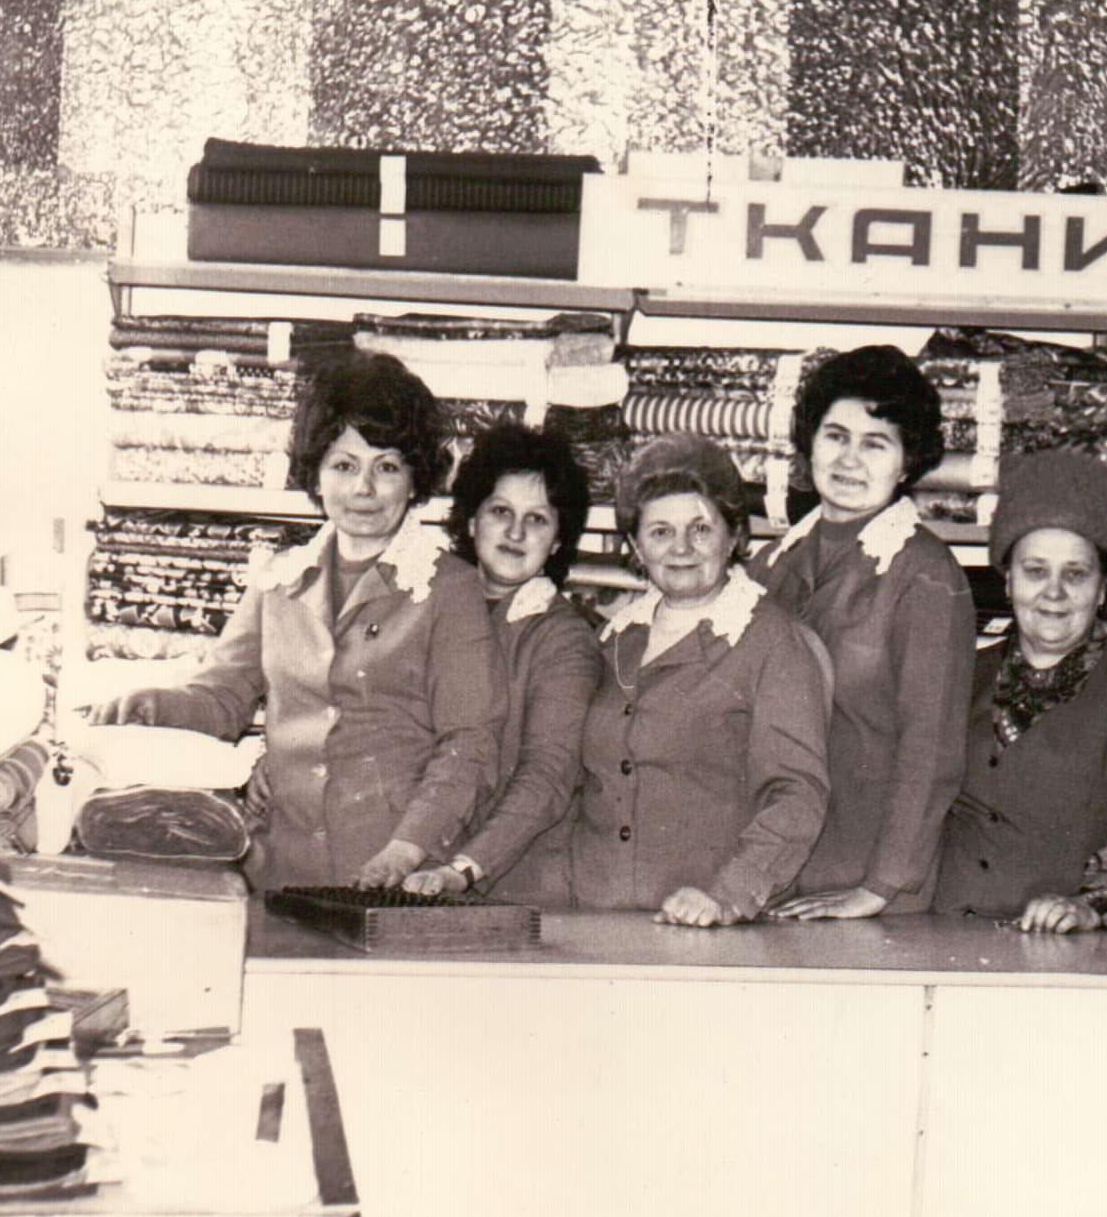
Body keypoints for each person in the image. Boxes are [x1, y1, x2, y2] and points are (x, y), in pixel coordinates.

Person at [88, 352, 501, 888]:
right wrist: (150, 705)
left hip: (400, 875)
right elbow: (222, 699)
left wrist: (406, 850)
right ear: (316, 473)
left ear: (416, 478)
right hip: (280, 867)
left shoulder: (450, 587)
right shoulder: (278, 580)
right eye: (344, 466)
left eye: (388, 467)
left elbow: (470, 743)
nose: (363, 489)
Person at [935, 450, 1107, 933]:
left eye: (1075, 575)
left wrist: (1089, 906)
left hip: (1073, 951)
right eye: (1036, 571)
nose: (1053, 593)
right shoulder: (961, 673)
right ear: (1008, 577)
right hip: (943, 932)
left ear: (1103, 588)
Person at [568, 434, 830, 927]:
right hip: (595, 916)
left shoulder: (772, 642)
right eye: (660, 532)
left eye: (701, 529)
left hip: (707, 925)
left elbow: (796, 795)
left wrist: (727, 894)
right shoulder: (614, 637)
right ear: (634, 546)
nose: (681, 548)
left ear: (734, 536)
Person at [757, 346, 976, 921]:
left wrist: (880, 886)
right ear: (809, 443)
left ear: (907, 463)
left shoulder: (925, 573)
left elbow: (933, 747)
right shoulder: (770, 563)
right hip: (770, 866)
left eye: (875, 443)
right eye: (836, 435)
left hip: (864, 877)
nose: (849, 459)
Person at [401, 421, 600, 899]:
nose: (515, 532)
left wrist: (465, 869)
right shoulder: (417, 607)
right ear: (470, 521)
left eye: (537, 519)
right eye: (500, 511)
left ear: (557, 540)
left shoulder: (563, 639)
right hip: (406, 862)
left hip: (507, 884)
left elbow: (547, 775)